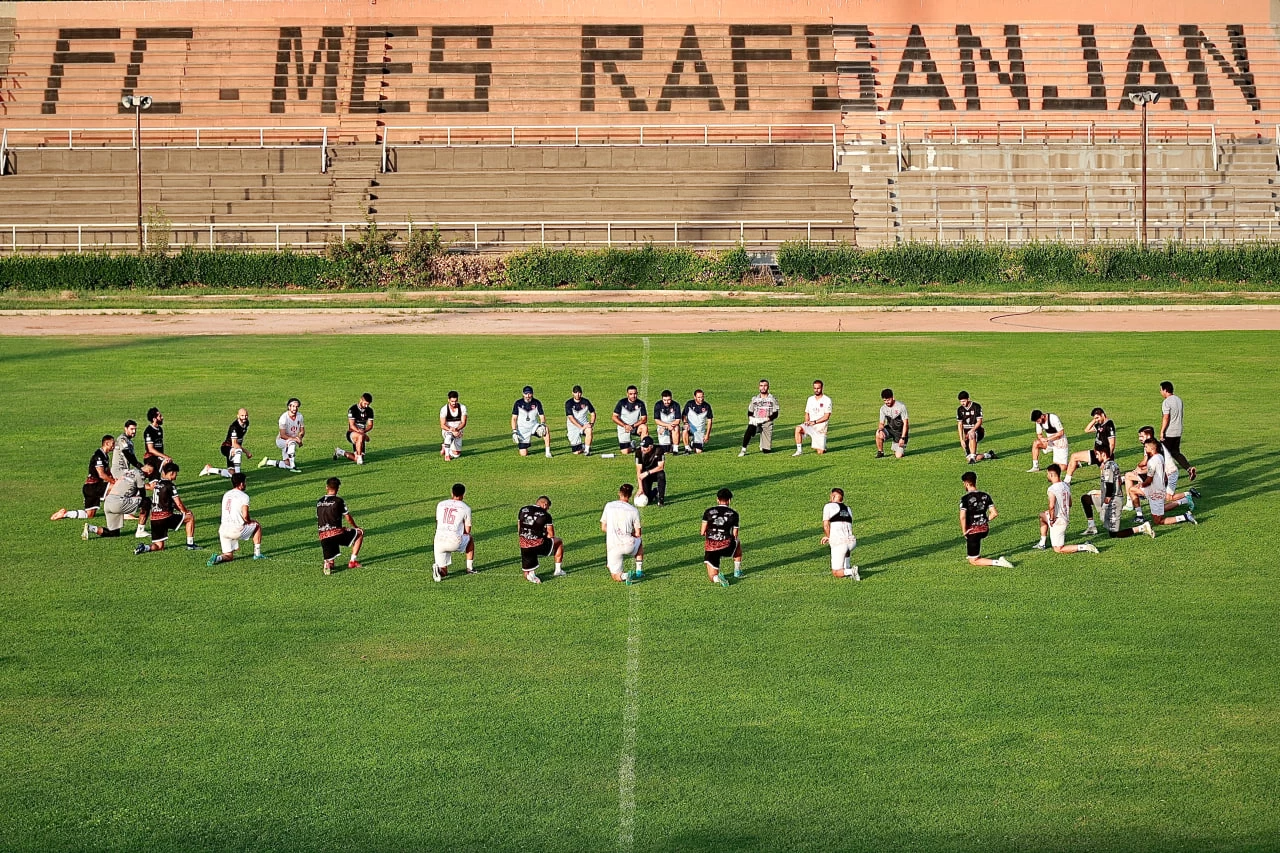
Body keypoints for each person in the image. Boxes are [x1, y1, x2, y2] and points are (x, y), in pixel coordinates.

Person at [1081, 445, 1155, 540]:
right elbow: (1116, 483)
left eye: (1097, 454)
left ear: (1103, 454)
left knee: (1114, 534)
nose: (1096, 457)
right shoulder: (1113, 464)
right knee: (1085, 499)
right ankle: (1091, 527)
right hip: (1111, 497)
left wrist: (1106, 501)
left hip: (1113, 501)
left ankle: (1142, 527)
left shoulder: (1108, 467)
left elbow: (1110, 486)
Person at [1130, 438, 1199, 530]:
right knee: (1132, 490)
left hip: (1154, 492)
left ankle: (1185, 516)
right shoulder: (1160, 457)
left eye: (1146, 447)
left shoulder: (1152, 462)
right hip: (1159, 489)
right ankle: (1185, 501)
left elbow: (1149, 480)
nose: (1145, 449)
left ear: (1152, 448)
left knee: (1158, 521)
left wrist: (1141, 484)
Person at [134, 462, 198, 554]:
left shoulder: (157, 484)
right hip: (165, 517)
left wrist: (180, 510)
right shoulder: (170, 486)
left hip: (154, 519)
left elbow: (172, 502)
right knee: (190, 517)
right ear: (171, 473)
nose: (176, 476)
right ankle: (191, 545)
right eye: (176, 473)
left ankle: (145, 547)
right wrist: (185, 511)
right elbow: (178, 503)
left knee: (159, 546)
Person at [1034, 464, 1099, 554]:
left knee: (1058, 549)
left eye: (1048, 474)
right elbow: (1070, 503)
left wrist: (1052, 519)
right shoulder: (1066, 485)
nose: (1047, 476)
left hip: (1058, 521)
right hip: (1064, 517)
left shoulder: (1052, 489)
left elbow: (1051, 506)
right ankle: (1042, 543)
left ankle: (1085, 547)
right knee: (1042, 516)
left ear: (1051, 474)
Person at [83, 460, 154, 541]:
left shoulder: (131, 471)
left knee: (114, 533)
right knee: (146, 502)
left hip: (108, 502)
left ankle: (91, 528)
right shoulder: (140, 475)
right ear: (149, 471)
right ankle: (140, 531)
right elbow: (142, 494)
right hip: (118, 503)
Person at [52, 434, 114, 521]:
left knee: (89, 515)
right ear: (107, 443)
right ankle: (122, 512)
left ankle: (65, 514)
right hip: (93, 487)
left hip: (90, 487)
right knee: (116, 487)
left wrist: (113, 478)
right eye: (113, 443)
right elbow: (101, 474)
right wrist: (113, 482)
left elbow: (107, 471)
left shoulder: (105, 456)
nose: (114, 446)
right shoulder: (98, 456)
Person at [958, 472, 1015, 567]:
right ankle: (974, 553)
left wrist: (964, 531)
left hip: (973, 531)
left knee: (974, 561)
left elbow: (962, 517)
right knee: (974, 549)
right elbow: (994, 513)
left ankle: (999, 562)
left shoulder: (965, 499)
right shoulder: (985, 496)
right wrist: (984, 521)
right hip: (984, 529)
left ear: (966, 483)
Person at [208, 472, 265, 564]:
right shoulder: (244, 496)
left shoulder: (226, 494)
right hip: (236, 530)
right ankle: (257, 554)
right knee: (257, 526)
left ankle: (217, 558)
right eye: (245, 482)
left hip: (223, 530)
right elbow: (245, 515)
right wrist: (249, 521)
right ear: (241, 483)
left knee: (228, 556)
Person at [317, 476, 364, 575]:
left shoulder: (319, 502)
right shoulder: (338, 501)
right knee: (359, 533)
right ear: (338, 488)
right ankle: (353, 561)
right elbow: (347, 517)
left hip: (322, 536)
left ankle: (328, 562)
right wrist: (355, 527)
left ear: (327, 487)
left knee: (331, 553)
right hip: (336, 533)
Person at [601, 483, 644, 583]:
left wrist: (614, 531)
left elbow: (603, 527)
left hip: (613, 547)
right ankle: (639, 571)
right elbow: (638, 534)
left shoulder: (609, 506)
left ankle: (625, 576)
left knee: (615, 576)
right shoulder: (634, 511)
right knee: (640, 542)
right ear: (630, 495)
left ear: (619, 493)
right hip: (629, 544)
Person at [433, 483, 475, 581]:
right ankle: (470, 568)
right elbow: (468, 530)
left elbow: (438, 522)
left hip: (439, 540)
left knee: (444, 572)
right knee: (470, 539)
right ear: (463, 494)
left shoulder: (440, 504)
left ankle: (437, 570)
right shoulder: (466, 508)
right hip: (454, 540)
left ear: (452, 492)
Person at [517, 495, 565, 584]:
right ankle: (558, 570)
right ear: (545, 504)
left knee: (526, 573)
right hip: (538, 544)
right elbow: (551, 535)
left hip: (524, 544)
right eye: (548, 507)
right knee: (559, 542)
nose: (547, 509)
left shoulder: (522, 510)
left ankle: (530, 574)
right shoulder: (546, 515)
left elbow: (519, 528)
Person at [701, 488, 741, 587]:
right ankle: (737, 571)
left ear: (717, 499)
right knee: (737, 541)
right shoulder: (734, 514)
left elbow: (702, 532)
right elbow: (735, 534)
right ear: (729, 500)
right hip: (726, 546)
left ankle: (717, 578)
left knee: (712, 576)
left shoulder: (708, 512)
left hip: (711, 547)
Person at [1064, 407, 1116, 484]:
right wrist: (1094, 420)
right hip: (1096, 453)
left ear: (1103, 415)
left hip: (1104, 456)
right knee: (1074, 456)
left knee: (1107, 481)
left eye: (1098, 417)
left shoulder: (1109, 425)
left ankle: (1122, 480)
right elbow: (1087, 430)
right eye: (1095, 418)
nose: (1097, 420)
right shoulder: (1099, 424)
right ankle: (1066, 481)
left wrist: (1106, 459)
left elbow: (1112, 444)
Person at [1159, 381, 1196, 480]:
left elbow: (1166, 418)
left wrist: (1162, 431)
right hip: (1178, 431)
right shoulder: (1179, 400)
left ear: (1165, 390)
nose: (1160, 392)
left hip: (1169, 432)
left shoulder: (1166, 402)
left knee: (1162, 454)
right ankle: (1189, 468)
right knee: (1175, 452)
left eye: (1161, 390)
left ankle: (1164, 477)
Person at [820, 488, 860, 579]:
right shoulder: (848, 509)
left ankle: (850, 571)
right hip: (852, 542)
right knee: (846, 549)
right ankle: (848, 566)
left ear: (833, 496)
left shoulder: (828, 506)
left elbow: (826, 525)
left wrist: (828, 537)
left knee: (836, 572)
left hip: (839, 543)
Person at [201, 408, 251, 478]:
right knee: (238, 451)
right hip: (226, 448)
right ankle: (238, 475)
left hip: (233, 448)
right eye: (242, 415)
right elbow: (234, 444)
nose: (244, 417)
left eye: (246, 415)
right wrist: (246, 451)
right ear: (238, 416)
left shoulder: (246, 423)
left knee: (231, 474)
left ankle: (209, 469)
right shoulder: (234, 427)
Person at [259, 398, 305, 471]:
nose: (295, 408)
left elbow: (302, 431)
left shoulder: (300, 416)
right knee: (292, 443)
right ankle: (293, 467)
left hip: (291, 440)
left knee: (287, 464)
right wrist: (295, 439)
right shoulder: (283, 418)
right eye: (293, 406)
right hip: (281, 441)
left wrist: (300, 438)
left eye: (296, 406)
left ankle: (268, 462)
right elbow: (283, 435)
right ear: (289, 407)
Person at [739, 379, 780, 456]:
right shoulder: (755, 399)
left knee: (766, 451)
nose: (763, 388)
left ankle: (763, 445)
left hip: (767, 423)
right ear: (759, 387)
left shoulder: (772, 399)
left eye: (765, 386)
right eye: (761, 386)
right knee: (750, 428)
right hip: (756, 421)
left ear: (768, 387)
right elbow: (750, 411)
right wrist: (751, 419)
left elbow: (776, 414)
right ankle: (743, 449)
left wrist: (766, 419)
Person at [793, 379, 832, 456]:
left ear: (822, 388)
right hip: (810, 425)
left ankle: (822, 445)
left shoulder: (827, 400)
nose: (816, 390)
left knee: (820, 452)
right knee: (798, 428)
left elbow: (826, 416)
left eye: (818, 388)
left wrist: (814, 422)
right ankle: (799, 450)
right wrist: (807, 421)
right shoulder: (810, 399)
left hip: (820, 427)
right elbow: (807, 412)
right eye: (815, 388)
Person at [512, 385, 552, 458]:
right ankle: (525, 445)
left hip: (534, 427)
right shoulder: (518, 403)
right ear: (523, 394)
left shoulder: (537, 403)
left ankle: (548, 452)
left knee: (546, 429)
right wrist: (514, 431)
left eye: (529, 393)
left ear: (532, 394)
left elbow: (542, 416)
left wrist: (542, 424)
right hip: (522, 430)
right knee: (523, 454)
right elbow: (514, 418)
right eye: (526, 394)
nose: (528, 396)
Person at [335, 393, 374, 465]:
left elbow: (370, 425)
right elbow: (352, 425)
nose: (366, 406)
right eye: (365, 403)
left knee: (356, 458)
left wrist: (364, 431)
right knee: (360, 436)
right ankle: (359, 457)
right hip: (352, 433)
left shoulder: (370, 411)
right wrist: (362, 433)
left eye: (368, 404)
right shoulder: (352, 409)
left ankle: (340, 452)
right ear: (361, 400)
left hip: (361, 434)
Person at [956, 392, 993, 463]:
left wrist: (972, 430)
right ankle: (988, 455)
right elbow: (960, 424)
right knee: (969, 458)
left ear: (968, 399)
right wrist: (961, 440)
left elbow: (979, 421)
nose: (962, 403)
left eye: (964, 401)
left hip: (978, 431)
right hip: (967, 436)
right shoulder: (960, 410)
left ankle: (972, 457)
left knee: (971, 433)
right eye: (960, 401)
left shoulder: (976, 407)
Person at [1027, 409, 1068, 473]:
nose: (1037, 422)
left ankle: (1075, 464)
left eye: (1038, 420)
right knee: (1036, 443)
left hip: (1060, 442)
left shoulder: (1053, 418)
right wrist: (1042, 439)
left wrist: (1048, 439)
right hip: (1050, 443)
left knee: (1061, 468)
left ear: (1042, 416)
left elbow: (1061, 433)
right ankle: (1035, 466)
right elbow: (1039, 434)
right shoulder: (1038, 422)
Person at [612, 385, 648, 454]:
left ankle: (644, 448)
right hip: (623, 427)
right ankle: (632, 445)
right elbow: (614, 417)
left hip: (635, 427)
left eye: (635, 394)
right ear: (627, 394)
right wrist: (625, 425)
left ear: (637, 393)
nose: (633, 396)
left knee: (644, 427)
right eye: (631, 394)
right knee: (625, 452)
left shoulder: (640, 403)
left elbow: (644, 419)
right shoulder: (622, 403)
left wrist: (633, 426)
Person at [876, 389, 909, 458]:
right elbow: (881, 423)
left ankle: (897, 446)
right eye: (885, 400)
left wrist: (902, 438)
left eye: (888, 400)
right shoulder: (883, 409)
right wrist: (881, 429)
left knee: (898, 456)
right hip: (890, 429)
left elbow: (906, 424)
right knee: (878, 433)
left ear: (893, 397)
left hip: (900, 433)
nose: (886, 402)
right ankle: (880, 452)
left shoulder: (901, 406)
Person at [635, 436, 667, 506]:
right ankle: (655, 492)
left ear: (651, 446)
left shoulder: (659, 450)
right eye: (642, 446)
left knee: (661, 475)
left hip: (655, 472)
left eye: (645, 447)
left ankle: (661, 499)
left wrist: (648, 472)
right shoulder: (638, 452)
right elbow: (639, 471)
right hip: (645, 476)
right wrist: (640, 488)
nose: (643, 449)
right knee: (647, 499)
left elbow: (661, 467)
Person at [565, 385, 596, 456]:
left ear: (581, 393)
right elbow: (571, 418)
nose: (577, 394)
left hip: (584, 424)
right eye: (576, 393)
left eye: (579, 393)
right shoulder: (568, 403)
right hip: (573, 426)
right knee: (576, 452)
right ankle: (582, 446)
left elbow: (593, 413)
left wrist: (591, 424)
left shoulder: (586, 402)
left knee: (589, 430)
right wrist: (580, 427)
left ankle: (587, 450)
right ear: (572, 393)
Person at [681, 389, 713, 453]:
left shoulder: (707, 406)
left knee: (698, 451)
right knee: (684, 429)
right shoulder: (689, 404)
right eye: (699, 397)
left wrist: (707, 435)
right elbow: (684, 415)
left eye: (702, 397)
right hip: (690, 428)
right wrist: (685, 423)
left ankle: (693, 443)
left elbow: (710, 421)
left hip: (699, 431)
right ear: (694, 397)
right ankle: (687, 448)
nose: (701, 399)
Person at [439, 391, 468, 460]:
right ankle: (447, 455)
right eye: (452, 401)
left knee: (456, 455)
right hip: (447, 430)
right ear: (448, 400)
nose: (454, 403)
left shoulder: (463, 408)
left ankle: (445, 446)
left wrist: (457, 430)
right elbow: (442, 425)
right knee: (449, 436)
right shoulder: (444, 409)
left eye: (455, 401)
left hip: (458, 430)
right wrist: (452, 430)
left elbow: (463, 423)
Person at [142, 407, 172, 473]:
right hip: (151, 458)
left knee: (169, 466)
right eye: (160, 416)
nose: (162, 417)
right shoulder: (149, 431)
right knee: (168, 466)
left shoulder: (160, 429)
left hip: (158, 457)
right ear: (154, 419)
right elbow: (150, 449)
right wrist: (165, 456)